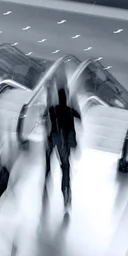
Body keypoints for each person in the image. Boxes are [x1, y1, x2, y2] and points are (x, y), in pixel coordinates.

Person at [0, 130, 29, 242]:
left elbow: (3, 163)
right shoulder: (18, 154)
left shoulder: (14, 152)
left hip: (4, 176)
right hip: (5, 177)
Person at [43, 82, 81, 211]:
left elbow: (44, 113)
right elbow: (79, 117)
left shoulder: (53, 109)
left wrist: (48, 92)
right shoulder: (70, 110)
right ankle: (66, 193)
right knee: (65, 167)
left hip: (53, 138)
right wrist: (74, 101)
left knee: (48, 161)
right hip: (64, 142)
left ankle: (45, 184)